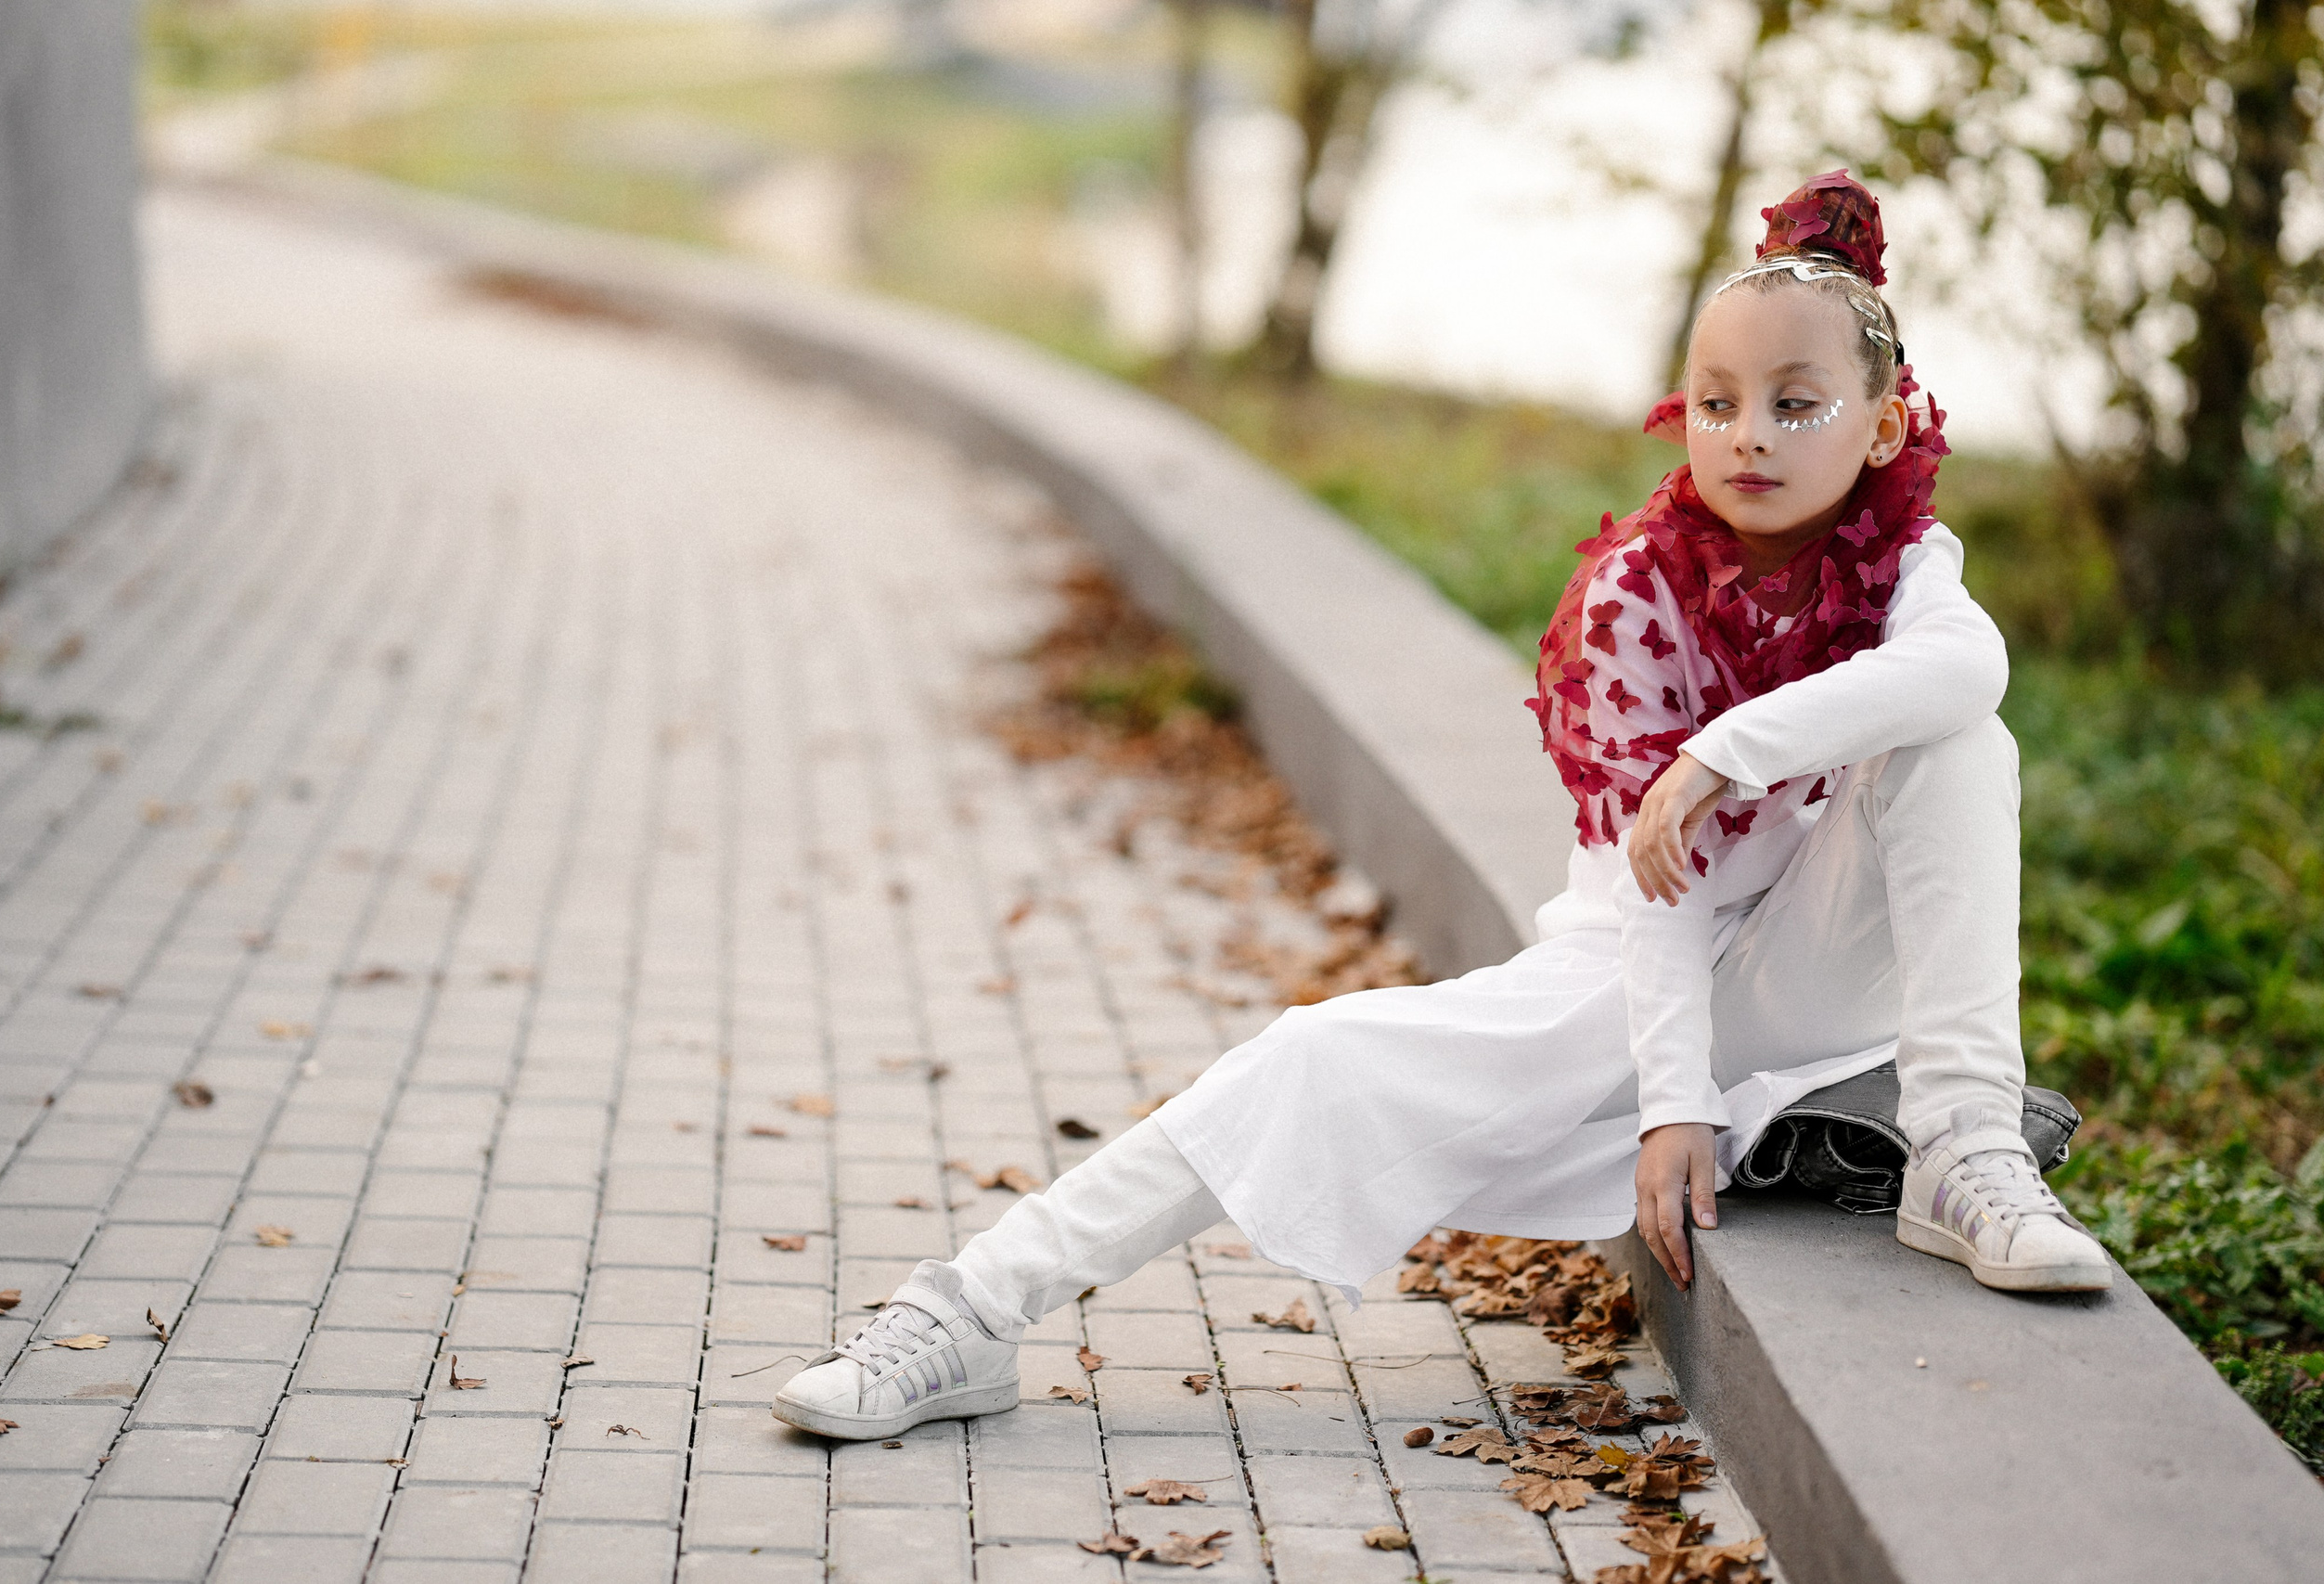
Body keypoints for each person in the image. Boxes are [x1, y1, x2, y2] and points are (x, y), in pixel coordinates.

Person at [771, 172, 2110, 1443]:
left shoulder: (1907, 564)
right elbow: (1661, 901)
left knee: (1959, 742)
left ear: (1880, 426)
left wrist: (1726, 754)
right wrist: (1673, 1098)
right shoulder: (1638, 594)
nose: (1748, 434)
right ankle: (965, 1313)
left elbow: (1968, 669)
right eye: (1716, 400)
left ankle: (1966, 1154)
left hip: (1824, 957)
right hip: (1644, 969)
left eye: (1795, 403)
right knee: (1314, 1061)